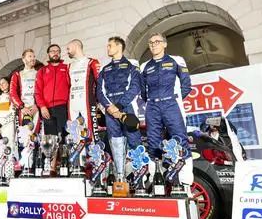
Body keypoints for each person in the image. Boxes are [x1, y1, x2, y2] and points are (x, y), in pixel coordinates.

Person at [140, 33, 193, 163]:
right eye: (151, 43)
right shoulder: (144, 66)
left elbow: (186, 85)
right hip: (152, 107)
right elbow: (143, 92)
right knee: (153, 142)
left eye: (157, 41)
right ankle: (157, 176)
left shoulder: (177, 60)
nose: (153, 45)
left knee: (180, 139)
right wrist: (152, 103)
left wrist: (174, 99)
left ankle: (184, 180)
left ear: (164, 44)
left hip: (171, 104)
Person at [97, 36, 143, 179]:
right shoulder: (105, 69)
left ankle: (140, 176)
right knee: (115, 142)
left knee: (134, 140)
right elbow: (99, 91)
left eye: (110, 45)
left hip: (127, 108)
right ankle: (120, 177)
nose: (107, 48)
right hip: (110, 110)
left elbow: (135, 88)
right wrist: (108, 107)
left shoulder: (131, 66)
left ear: (119, 47)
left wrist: (118, 106)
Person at [66, 39, 101, 139]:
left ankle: (93, 154)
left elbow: (99, 82)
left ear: (76, 46)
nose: (67, 51)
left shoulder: (92, 62)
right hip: (72, 104)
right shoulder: (69, 66)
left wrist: (97, 101)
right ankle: (79, 154)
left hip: (88, 103)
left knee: (91, 133)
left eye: (68, 48)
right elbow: (69, 85)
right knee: (74, 134)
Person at [34, 44, 71, 138]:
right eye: (52, 51)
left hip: (63, 109)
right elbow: (37, 91)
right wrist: (42, 106)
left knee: (64, 139)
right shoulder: (42, 71)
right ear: (48, 54)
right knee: (51, 140)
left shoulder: (67, 68)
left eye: (58, 51)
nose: (55, 53)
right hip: (47, 109)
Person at [9, 49, 41, 134]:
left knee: (36, 138)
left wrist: (38, 105)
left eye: (34, 56)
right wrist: (21, 107)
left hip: (37, 109)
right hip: (23, 110)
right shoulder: (17, 74)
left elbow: (44, 92)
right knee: (24, 138)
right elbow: (12, 93)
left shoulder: (40, 73)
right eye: (30, 56)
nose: (33, 58)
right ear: (23, 59)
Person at [0, 78, 16, 149]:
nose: (1, 85)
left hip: (8, 127)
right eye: (0, 84)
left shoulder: (13, 97)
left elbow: (13, 114)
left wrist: (0, 124)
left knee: (8, 148)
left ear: (9, 84)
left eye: (3, 83)